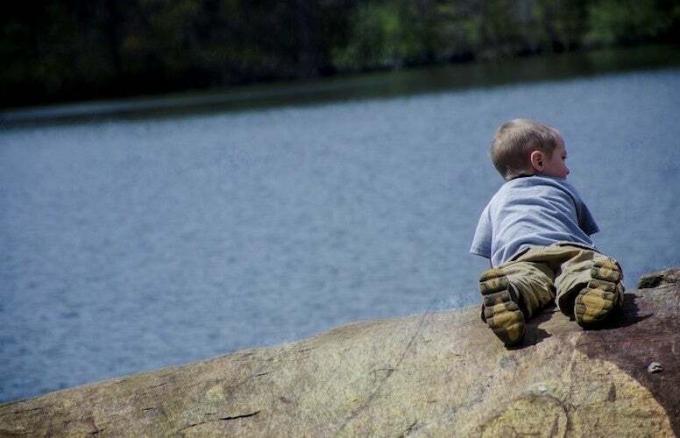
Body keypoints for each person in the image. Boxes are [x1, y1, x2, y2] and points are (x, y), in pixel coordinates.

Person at [470, 119, 624, 347]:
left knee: (525, 282)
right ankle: (589, 289)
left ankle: (511, 294)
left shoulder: (495, 202)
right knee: (583, 269)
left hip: (520, 258)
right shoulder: (564, 188)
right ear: (539, 161)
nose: (568, 168)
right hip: (570, 250)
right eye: (563, 158)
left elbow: (488, 252)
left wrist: (502, 274)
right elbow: (585, 234)